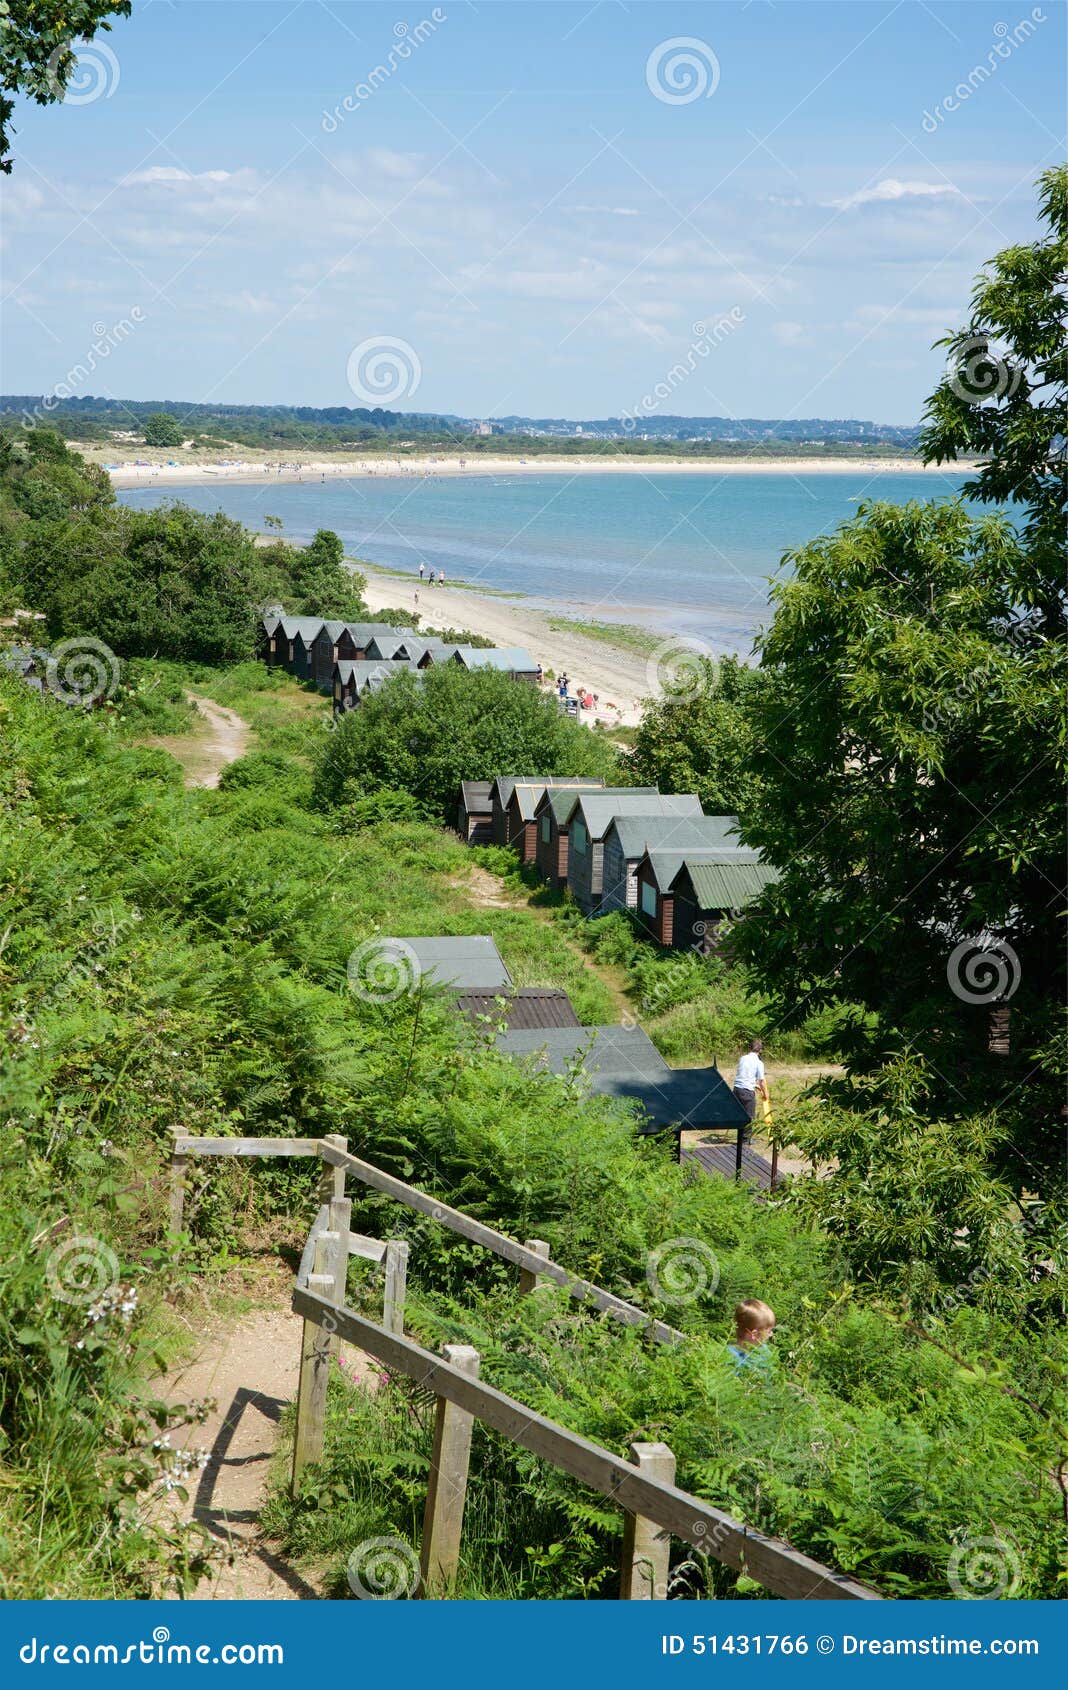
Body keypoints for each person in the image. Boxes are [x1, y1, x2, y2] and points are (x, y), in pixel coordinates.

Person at [728, 1299, 776, 1372]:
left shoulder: (764, 1351)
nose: (771, 1334)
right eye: (769, 1331)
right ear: (754, 1334)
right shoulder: (730, 1356)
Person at [733, 1038, 767, 1138]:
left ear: (750, 1048)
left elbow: (744, 1074)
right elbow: (761, 1081)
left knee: (740, 1115)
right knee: (749, 1116)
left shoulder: (742, 1058)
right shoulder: (759, 1063)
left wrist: (754, 1085)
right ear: (760, 1050)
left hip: (736, 1089)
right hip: (747, 1092)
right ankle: (745, 1140)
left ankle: (740, 1137)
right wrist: (765, 1093)